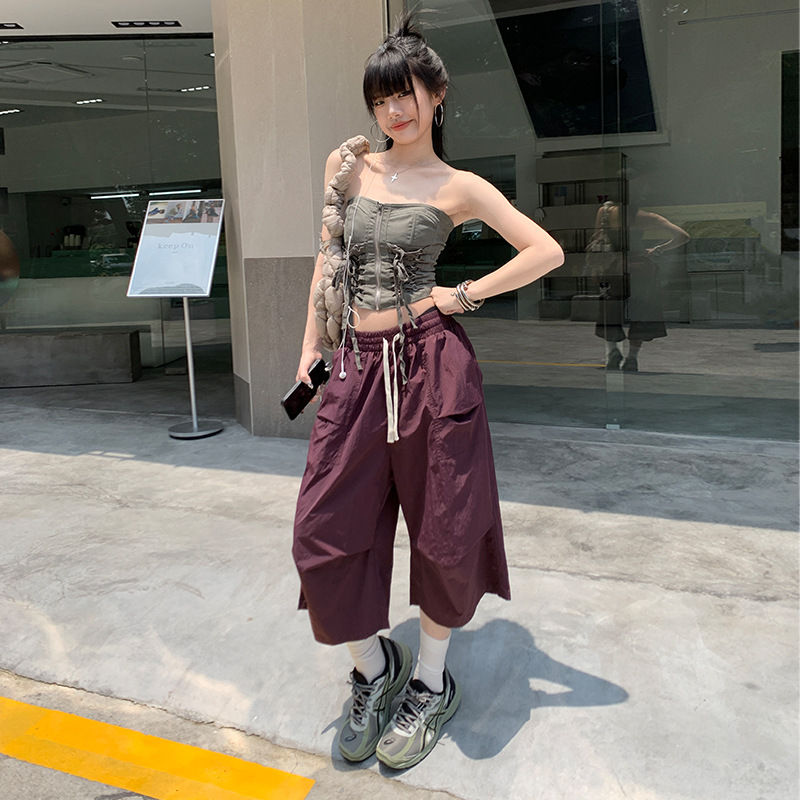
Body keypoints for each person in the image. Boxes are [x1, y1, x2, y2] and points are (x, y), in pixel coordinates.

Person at [292, 15, 564, 770]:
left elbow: (545, 250)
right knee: (320, 531)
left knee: (445, 530)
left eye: (405, 95)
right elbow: (328, 259)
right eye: (381, 99)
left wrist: (462, 295)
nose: (393, 111)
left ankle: (432, 684)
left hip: (431, 368)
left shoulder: (459, 186)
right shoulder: (348, 167)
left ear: (437, 95)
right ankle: (375, 667)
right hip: (354, 367)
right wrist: (310, 349)